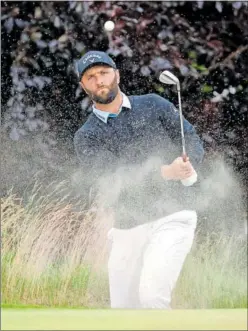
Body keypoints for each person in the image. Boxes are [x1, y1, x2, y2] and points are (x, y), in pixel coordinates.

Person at [74, 50, 204, 309]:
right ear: (83, 85)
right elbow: (113, 178)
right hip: (127, 226)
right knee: (123, 308)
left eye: (104, 73)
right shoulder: (86, 136)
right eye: (91, 76)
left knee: (152, 297)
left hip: (174, 217)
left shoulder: (153, 105)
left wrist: (188, 166)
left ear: (117, 75)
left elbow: (191, 139)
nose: (99, 80)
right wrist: (164, 173)